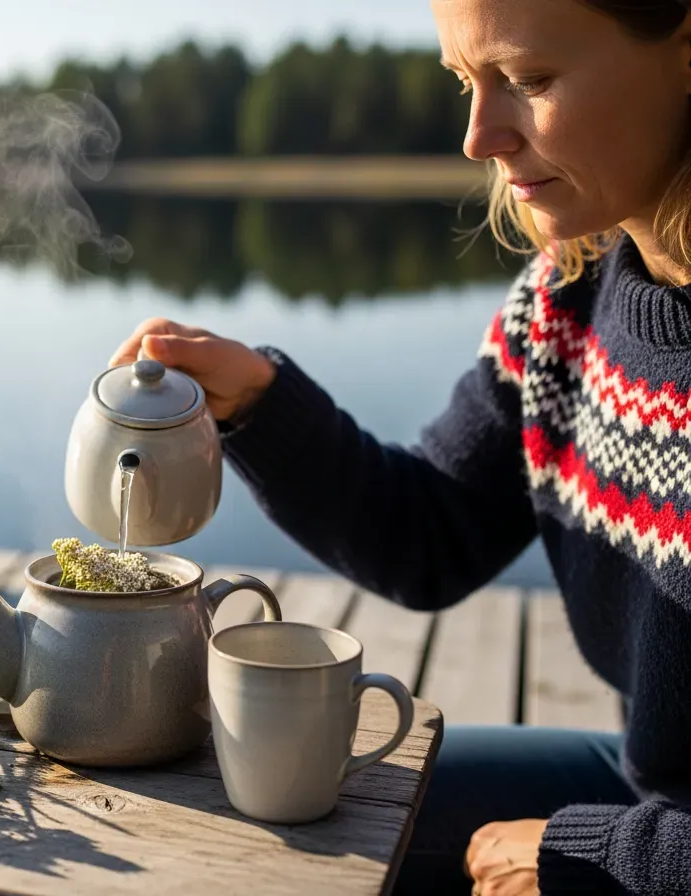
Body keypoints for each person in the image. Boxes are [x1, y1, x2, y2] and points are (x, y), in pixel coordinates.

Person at [108, 1, 691, 893]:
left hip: (663, 842)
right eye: (467, 83)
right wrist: (259, 404)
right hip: (648, 794)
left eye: (528, 81)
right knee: (252, 811)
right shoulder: (565, 303)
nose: (477, 136)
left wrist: (606, 860)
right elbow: (432, 533)